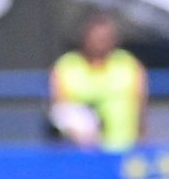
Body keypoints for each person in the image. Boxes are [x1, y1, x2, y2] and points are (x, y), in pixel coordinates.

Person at [49, 12, 148, 151]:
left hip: (124, 148)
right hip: (83, 153)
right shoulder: (66, 66)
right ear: (85, 38)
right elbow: (60, 109)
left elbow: (141, 108)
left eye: (105, 38)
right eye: (96, 38)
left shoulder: (129, 65)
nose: (100, 42)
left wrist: (142, 140)